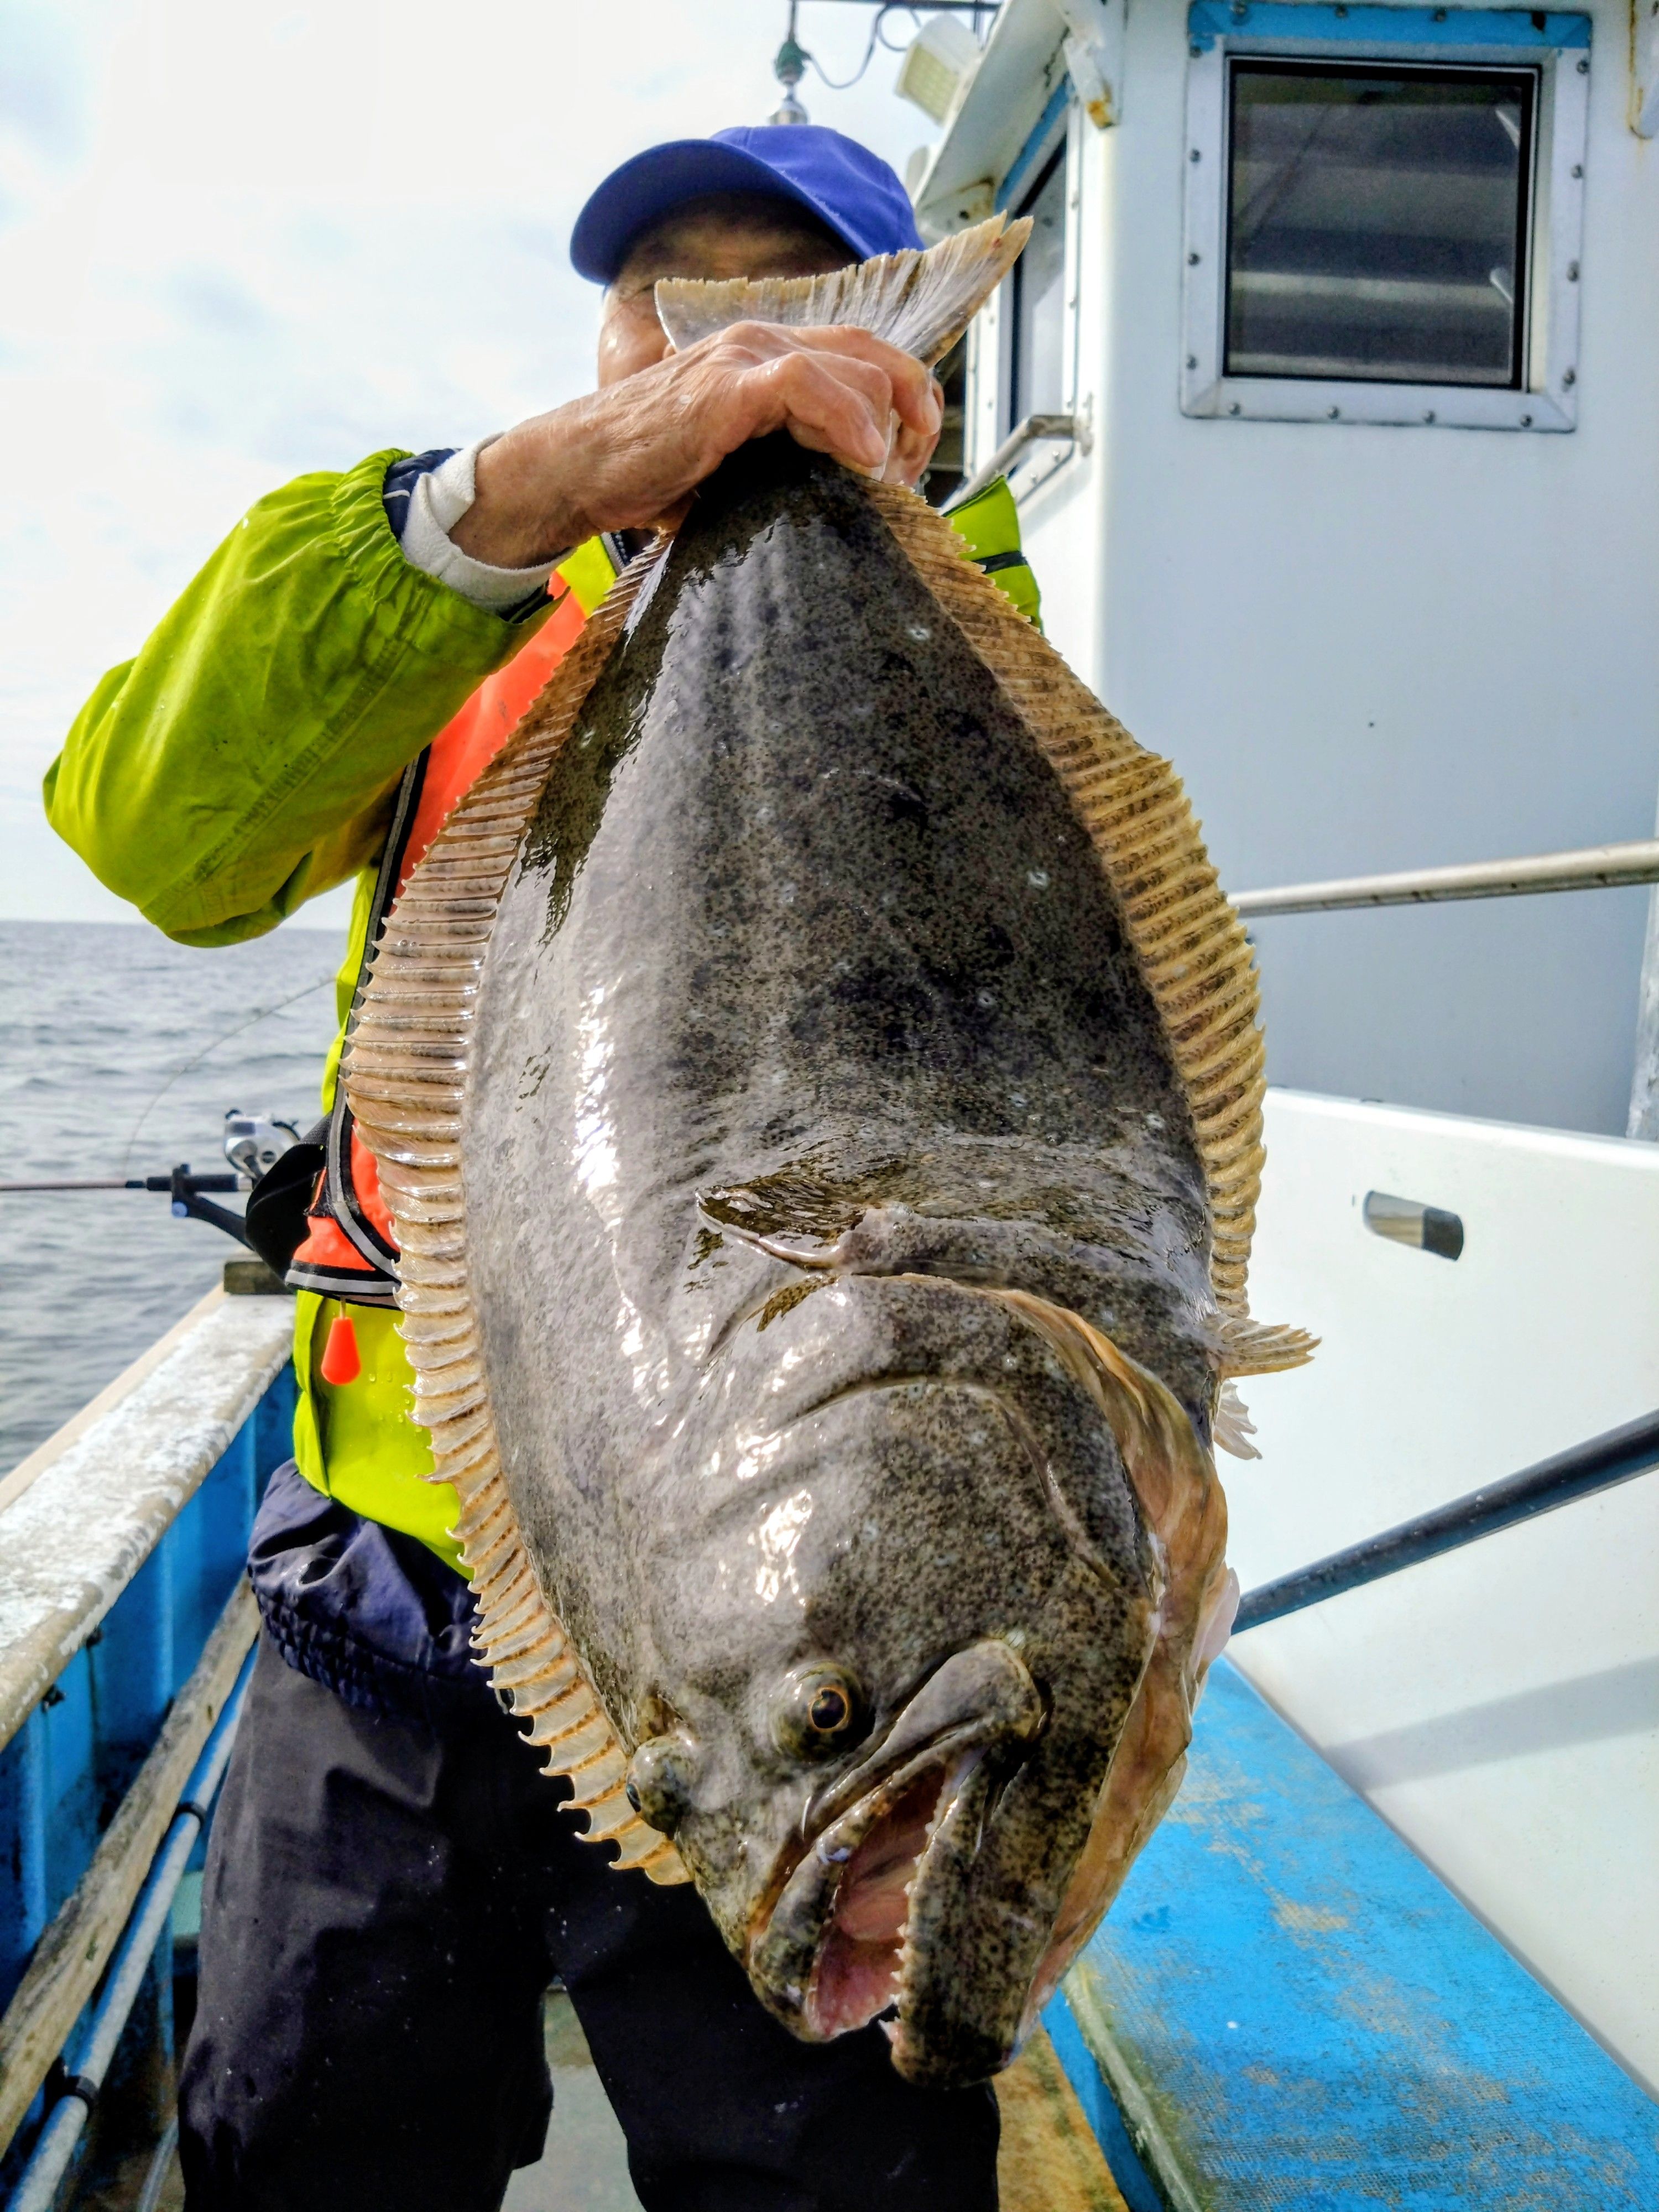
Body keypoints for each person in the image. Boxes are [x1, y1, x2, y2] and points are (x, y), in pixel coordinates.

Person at [46, 124, 1039, 2212]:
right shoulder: (450, 613)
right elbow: (148, 834)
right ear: (599, 349)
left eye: (785, 297)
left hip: (786, 1635)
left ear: (909, 358)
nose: (722, 344)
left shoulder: (987, 651)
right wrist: (512, 498)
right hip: (393, 1604)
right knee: (305, 2159)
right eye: (665, 304)